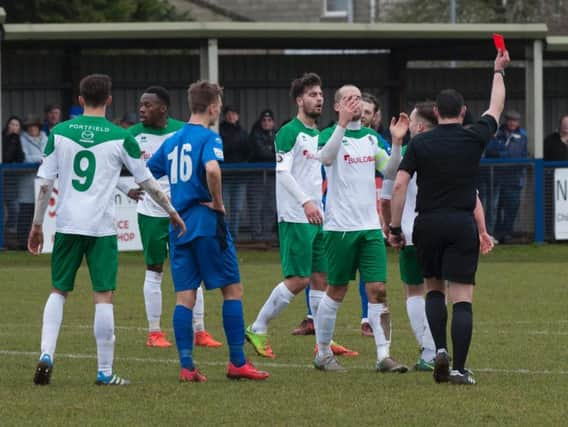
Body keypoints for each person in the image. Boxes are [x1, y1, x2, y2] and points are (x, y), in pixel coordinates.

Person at [27, 73, 186, 386]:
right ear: (109, 100)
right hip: (101, 228)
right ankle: (103, 371)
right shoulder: (120, 136)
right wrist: (171, 211)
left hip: (68, 224)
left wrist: (36, 225)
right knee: (103, 296)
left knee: (59, 290)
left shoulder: (58, 133)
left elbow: (44, 184)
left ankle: (47, 353)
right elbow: (148, 182)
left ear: (81, 100)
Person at [388, 49, 510, 385]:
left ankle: (439, 349)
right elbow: (496, 107)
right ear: (464, 112)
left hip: (427, 224)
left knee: (434, 290)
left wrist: (396, 227)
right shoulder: (475, 137)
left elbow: (399, 184)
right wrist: (498, 70)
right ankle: (459, 368)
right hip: (460, 223)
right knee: (463, 298)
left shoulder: (421, 144)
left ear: (437, 112)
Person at [146, 80, 269, 382]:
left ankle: (187, 366)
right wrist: (217, 203)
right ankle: (237, 362)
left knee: (184, 296)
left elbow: (147, 175)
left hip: (180, 226)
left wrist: (167, 207)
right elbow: (212, 170)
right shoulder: (208, 138)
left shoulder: (173, 140)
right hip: (206, 221)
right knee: (232, 289)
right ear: (213, 107)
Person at [245, 73, 357, 360]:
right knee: (299, 279)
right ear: (299, 100)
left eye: (320, 94)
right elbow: (282, 173)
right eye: (312, 94)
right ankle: (258, 327)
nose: (318, 99)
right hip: (296, 216)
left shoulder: (316, 134)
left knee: (321, 278)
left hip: (316, 216)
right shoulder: (288, 132)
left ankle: (324, 342)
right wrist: (306, 202)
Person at [381, 101, 494, 372]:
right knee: (448, 292)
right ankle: (438, 351)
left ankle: (430, 351)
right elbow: (473, 196)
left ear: (418, 126)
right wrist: (482, 229)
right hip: (455, 226)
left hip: (415, 230)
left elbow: (389, 191)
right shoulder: (457, 149)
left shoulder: (409, 152)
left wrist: (389, 227)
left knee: (417, 291)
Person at [314, 84, 407, 373]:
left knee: (378, 290)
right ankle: (324, 353)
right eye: (350, 99)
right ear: (338, 105)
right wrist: (341, 125)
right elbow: (326, 158)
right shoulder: (329, 134)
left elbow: (390, 170)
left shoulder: (370, 138)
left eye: (359, 98)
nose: (356, 103)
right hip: (339, 228)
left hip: (369, 228)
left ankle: (383, 356)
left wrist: (394, 142)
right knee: (337, 290)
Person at [122, 86, 221, 349]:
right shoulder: (132, 135)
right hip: (152, 213)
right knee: (155, 270)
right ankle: (154, 332)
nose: (142, 109)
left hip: (184, 211)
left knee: (194, 269)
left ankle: (199, 330)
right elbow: (109, 168)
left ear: (163, 109)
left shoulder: (182, 130)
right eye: (140, 105)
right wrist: (126, 188)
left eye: (147, 105)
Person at [484, 110, 528, 243]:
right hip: (496, 178)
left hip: (514, 178)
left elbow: (521, 154)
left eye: (515, 121)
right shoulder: (497, 133)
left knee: (511, 208)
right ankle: (493, 235)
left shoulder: (522, 135)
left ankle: (506, 235)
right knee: (494, 208)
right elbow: (491, 150)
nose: (512, 123)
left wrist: (505, 154)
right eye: (510, 120)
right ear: (506, 120)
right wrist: (505, 154)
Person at [219, 105, 251, 239]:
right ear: (225, 115)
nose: (232, 116)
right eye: (229, 113)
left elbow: (249, 151)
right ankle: (224, 235)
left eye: (234, 113)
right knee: (223, 207)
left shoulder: (243, 132)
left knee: (237, 208)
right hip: (224, 176)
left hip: (240, 176)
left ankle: (234, 236)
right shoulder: (219, 131)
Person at [18, 114, 48, 248]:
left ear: (38, 127)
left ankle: (41, 243)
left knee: (41, 212)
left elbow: (49, 156)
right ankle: (22, 244)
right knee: (26, 212)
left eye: (34, 126)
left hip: (43, 182)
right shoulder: (22, 139)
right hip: (27, 183)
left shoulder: (46, 138)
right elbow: (25, 158)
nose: (32, 129)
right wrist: (40, 159)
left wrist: (40, 159)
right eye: (29, 127)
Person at [249, 109, 277, 242]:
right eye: (264, 120)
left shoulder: (276, 135)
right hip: (257, 175)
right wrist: (273, 154)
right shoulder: (255, 134)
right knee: (256, 206)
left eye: (269, 120)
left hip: (272, 176)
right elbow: (262, 154)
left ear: (273, 122)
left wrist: (272, 153)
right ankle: (257, 236)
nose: (266, 123)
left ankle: (267, 235)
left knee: (271, 205)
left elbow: (280, 153)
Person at [2, 116, 25, 246]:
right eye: (12, 124)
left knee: (14, 208)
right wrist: (11, 139)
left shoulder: (17, 139)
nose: (14, 127)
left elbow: (20, 157)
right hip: (3, 176)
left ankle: (9, 232)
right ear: (8, 125)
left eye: (17, 125)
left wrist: (15, 139)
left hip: (10, 180)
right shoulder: (2, 138)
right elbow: (5, 157)